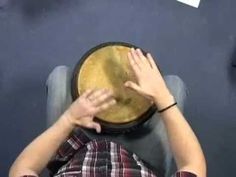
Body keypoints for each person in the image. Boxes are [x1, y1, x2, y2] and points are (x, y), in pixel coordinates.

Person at [9, 48, 206, 177]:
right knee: (174, 85)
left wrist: (68, 120)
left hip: (75, 151)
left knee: (60, 76)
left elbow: (21, 170)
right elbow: (194, 166)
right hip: (142, 159)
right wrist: (163, 98)